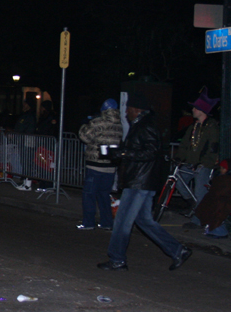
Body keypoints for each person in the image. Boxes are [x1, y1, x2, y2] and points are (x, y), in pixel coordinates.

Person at [98, 93, 192, 272]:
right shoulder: (142, 125)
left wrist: (123, 154)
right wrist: (118, 152)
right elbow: (140, 150)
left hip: (139, 182)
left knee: (122, 221)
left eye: (127, 109)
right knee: (144, 220)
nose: (125, 112)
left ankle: (117, 258)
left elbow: (150, 152)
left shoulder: (145, 126)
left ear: (135, 109)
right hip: (142, 181)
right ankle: (178, 250)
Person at [77, 99, 123, 230]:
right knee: (104, 194)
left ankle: (88, 222)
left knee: (89, 194)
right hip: (110, 165)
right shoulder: (119, 124)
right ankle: (107, 222)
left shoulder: (98, 122)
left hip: (95, 163)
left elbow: (85, 137)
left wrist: (85, 125)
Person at [175, 87, 220, 211]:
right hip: (190, 163)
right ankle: (192, 202)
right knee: (178, 180)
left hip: (203, 165)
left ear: (202, 110)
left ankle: (198, 219)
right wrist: (180, 157)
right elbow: (184, 143)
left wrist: (203, 163)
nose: (193, 110)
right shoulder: (193, 126)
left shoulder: (212, 127)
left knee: (200, 191)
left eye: (195, 108)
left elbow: (212, 148)